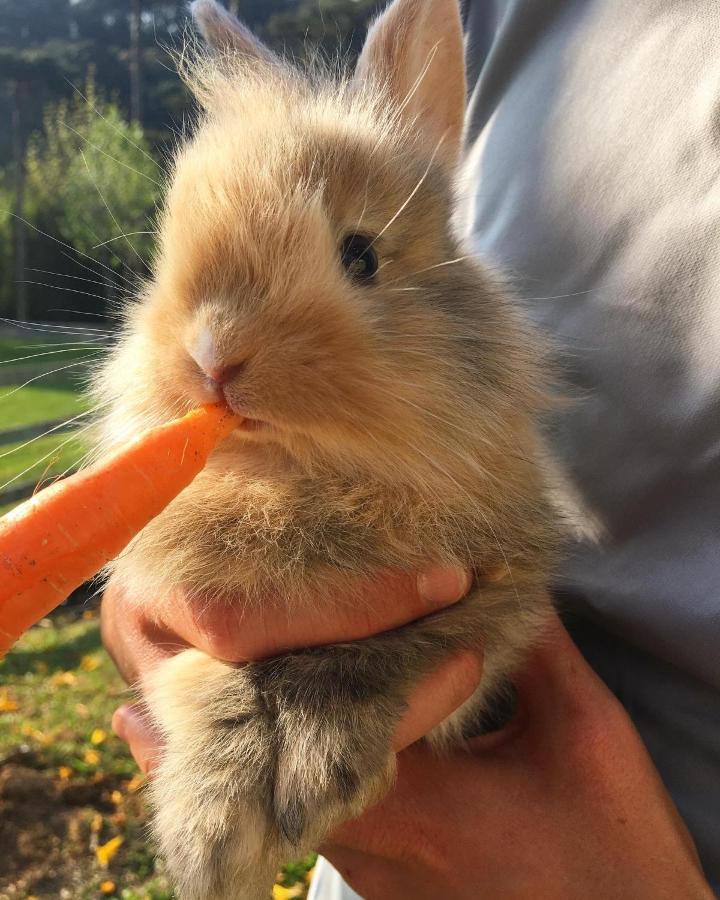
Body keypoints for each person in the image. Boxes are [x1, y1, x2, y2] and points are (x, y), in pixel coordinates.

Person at [103, 0, 720, 895]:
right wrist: (167, 623)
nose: (211, 346)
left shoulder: (461, 463)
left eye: (354, 260)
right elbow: (161, 604)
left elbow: (492, 613)